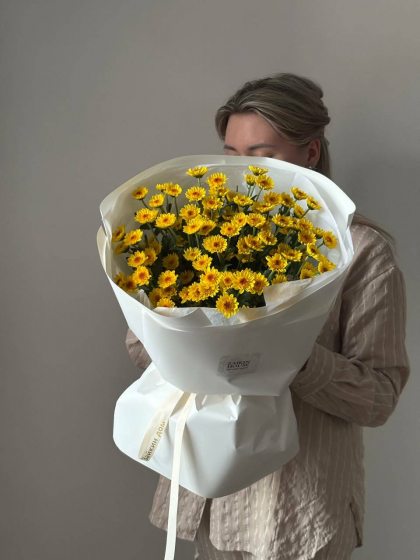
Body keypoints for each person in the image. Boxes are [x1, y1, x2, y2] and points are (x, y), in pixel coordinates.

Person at [125, 73, 410, 560]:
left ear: (311, 152)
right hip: (208, 498)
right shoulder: (199, 237)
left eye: (261, 155)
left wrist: (287, 356)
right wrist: (186, 340)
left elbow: (378, 398)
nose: (242, 170)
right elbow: (140, 349)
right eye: (231, 154)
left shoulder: (362, 252)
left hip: (299, 516)